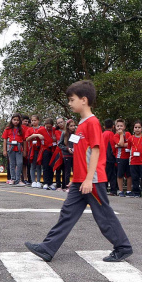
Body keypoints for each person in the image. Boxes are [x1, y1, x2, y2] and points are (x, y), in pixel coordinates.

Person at [25, 80, 133, 263]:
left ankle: (123, 247)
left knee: (103, 215)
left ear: (84, 100)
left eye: (71, 99)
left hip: (93, 180)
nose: (69, 103)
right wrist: (77, 178)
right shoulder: (81, 124)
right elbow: (82, 154)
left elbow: (96, 151)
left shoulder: (92, 122)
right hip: (80, 180)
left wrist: (89, 179)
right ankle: (48, 248)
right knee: (67, 213)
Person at [2, 114, 26, 186]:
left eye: (17, 120)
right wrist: (4, 150)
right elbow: (5, 140)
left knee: (19, 163)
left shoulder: (22, 129)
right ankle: (13, 178)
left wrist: (25, 150)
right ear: (11, 120)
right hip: (11, 148)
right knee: (12, 164)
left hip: (19, 148)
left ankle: (18, 179)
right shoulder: (8, 129)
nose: (16, 121)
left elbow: (24, 140)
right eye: (14, 120)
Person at [113, 119, 133, 196]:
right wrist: (121, 135)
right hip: (120, 157)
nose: (119, 127)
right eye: (118, 126)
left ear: (124, 127)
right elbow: (121, 143)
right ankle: (121, 191)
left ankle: (129, 191)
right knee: (120, 174)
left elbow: (130, 143)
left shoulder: (128, 134)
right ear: (115, 127)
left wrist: (120, 145)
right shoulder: (115, 136)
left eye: (121, 126)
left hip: (128, 157)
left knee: (129, 175)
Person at [26, 114, 45, 187]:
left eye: (35, 120)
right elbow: (27, 139)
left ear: (38, 121)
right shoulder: (29, 129)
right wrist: (34, 135)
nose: (33, 122)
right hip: (32, 149)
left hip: (40, 149)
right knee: (33, 165)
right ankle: (33, 181)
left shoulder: (42, 128)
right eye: (32, 120)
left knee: (39, 165)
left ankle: (39, 181)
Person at [59, 119, 77, 192]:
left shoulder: (76, 133)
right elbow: (60, 144)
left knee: (75, 171)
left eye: (74, 126)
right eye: (71, 126)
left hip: (74, 155)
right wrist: (67, 148)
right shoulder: (64, 133)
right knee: (67, 171)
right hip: (67, 155)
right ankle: (67, 186)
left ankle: (75, 186)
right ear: (68, 126)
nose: (73, 127)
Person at [21, 116, 33, 185]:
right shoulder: (20, 128)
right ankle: (22, 178)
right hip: (21, 147)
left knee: (27, 164)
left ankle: (27, 178)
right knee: (21, 164)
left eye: (27, 121)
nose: (26, 122)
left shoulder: (29, 128)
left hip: (28, 148)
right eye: (25, 121)